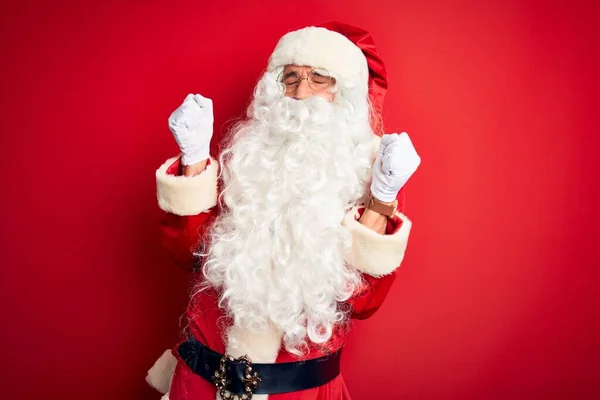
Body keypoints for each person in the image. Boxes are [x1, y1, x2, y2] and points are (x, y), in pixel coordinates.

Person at [146, 22, 421, 400]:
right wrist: (193, 159)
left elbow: (362, 302)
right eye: (290, 77)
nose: (301, 92)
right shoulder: (245, 157)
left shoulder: (370, 175)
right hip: (199, 384)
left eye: (319, 78)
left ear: (345, 94)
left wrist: (382, 197)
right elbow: (188, 252)